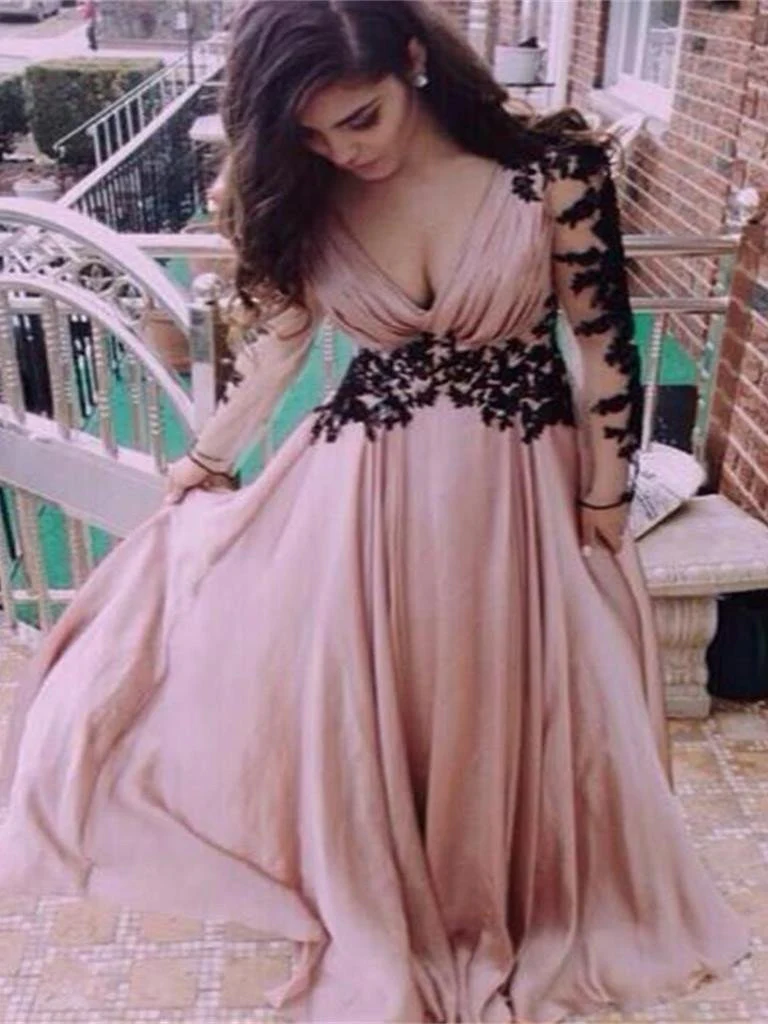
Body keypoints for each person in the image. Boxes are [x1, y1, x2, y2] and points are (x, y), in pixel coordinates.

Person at [0, 2, 752, 1022]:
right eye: (314, 135)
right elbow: (283, 347)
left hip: (519, 490)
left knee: (510, 699)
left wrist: (607, 492)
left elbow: (601, 340)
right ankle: (384, 889)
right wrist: (206, 461)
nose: (345, 151)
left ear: (412, 60)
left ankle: (496, 899)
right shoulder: (309, 194)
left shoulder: (554, 168)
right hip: (364, 491)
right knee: (368, 702)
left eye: (361, 118)